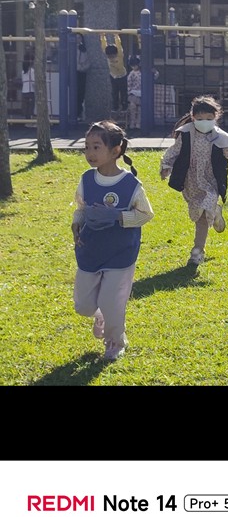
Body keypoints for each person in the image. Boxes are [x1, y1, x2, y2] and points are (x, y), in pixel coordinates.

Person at [71, 120, 154, 361]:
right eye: (87, 147)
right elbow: (81, 208)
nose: (90, 153)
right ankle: (101, 315)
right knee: (83, 306)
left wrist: (118, 216)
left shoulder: (131, 185)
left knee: (112, 303)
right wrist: (76, 224)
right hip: (90, 250)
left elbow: (146, 214)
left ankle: (115, 342)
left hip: (120, 253)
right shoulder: (86, 179)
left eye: (96, 147)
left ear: (115, 150)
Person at [159, 96, 228, 265]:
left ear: (216, 117)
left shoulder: (220, 137)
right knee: (198, 212)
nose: (204, 122)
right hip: (191, 182)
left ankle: (198, 251)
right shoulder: (186, 133)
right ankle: (215, 212)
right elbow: (174, 151)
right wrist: (166, 166)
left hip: (211, 181)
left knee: (203, 215)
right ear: (193, 117)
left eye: (209, 119)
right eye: (200, 119)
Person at [101, 34, 128, 114]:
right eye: (109, 56)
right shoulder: (107, 54)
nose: (111, 58)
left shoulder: (119, 55)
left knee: (123, 92)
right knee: (114, 92)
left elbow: (119, 46)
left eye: (112, 56)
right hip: (113, 76)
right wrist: (102, 37)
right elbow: (104, 47)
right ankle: (115, 107)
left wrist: (116, 36)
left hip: (122, 75)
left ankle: (124, 107)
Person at [126, 56, 143, 130]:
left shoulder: (142, 72)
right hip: (133, 93)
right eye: (132, 66)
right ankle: (133, 122)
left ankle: (138, 123)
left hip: (140, 93)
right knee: (133, 108)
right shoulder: (131, 74)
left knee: (139, 109)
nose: (133, 67)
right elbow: (128, 84)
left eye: (135, 65)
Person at [75, 35, 89, 123]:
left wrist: (81, 67)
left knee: (80, 94)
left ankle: (78, 113)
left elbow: (87, 62)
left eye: (79, 38)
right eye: (76, 37)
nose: (77, 39)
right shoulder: (69, 48)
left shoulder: (83, 49)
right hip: (71, 72)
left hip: (80, 73)